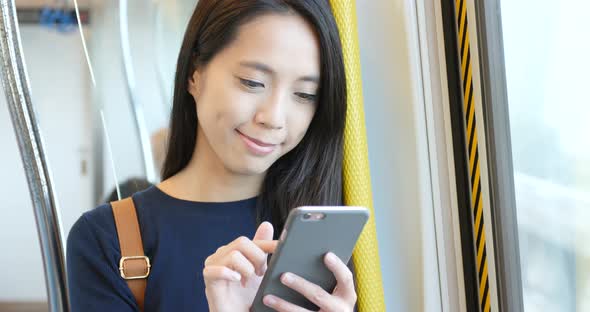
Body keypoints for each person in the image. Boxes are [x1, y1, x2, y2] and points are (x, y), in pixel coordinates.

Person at [67, 0, 355, 311]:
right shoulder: (107, 239)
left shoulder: (323, 234)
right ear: (194, 73)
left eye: (304, 95)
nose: (273, 117)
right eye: (252, 82)